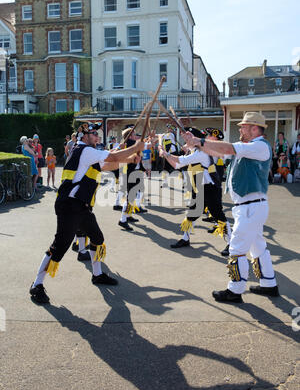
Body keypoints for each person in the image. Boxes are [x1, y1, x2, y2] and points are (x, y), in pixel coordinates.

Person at [29, 123, 145, 304]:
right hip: (69, 206)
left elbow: (106, 165)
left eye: (98, 134)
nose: (98, 137)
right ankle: (37, 285)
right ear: (84, 136)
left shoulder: (87, 152)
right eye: (94, 134)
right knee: (59, 246)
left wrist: (130, 160)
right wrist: (135, 148)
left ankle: (97, 275)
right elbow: (113, 156)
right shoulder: (84, 150)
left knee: (97, 238)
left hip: (81, 207)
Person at [183, 112, 279, 303]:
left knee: (237, 248)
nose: (240, 129)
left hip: (250, 207)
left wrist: (199, 141)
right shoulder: (251, 147)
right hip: (250, 206)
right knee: (258, 246)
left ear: (254, 128)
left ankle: (234, 291)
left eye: (243, 126)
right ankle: (269, 284)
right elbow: (220, 152)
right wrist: (196, 144)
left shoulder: (259, 145)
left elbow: (228, 147)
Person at [158, 127, 231, 257]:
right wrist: (186, 140)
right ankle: (185, 238)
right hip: (200, 188)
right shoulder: (199, 150)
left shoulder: (203, 152)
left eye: (208, 136)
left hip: (210, 188)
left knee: (218, 215)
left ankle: (232, 243)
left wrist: (165, 153)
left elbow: (180, 162)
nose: (206, 137)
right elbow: (179, 163)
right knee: (192, 213)